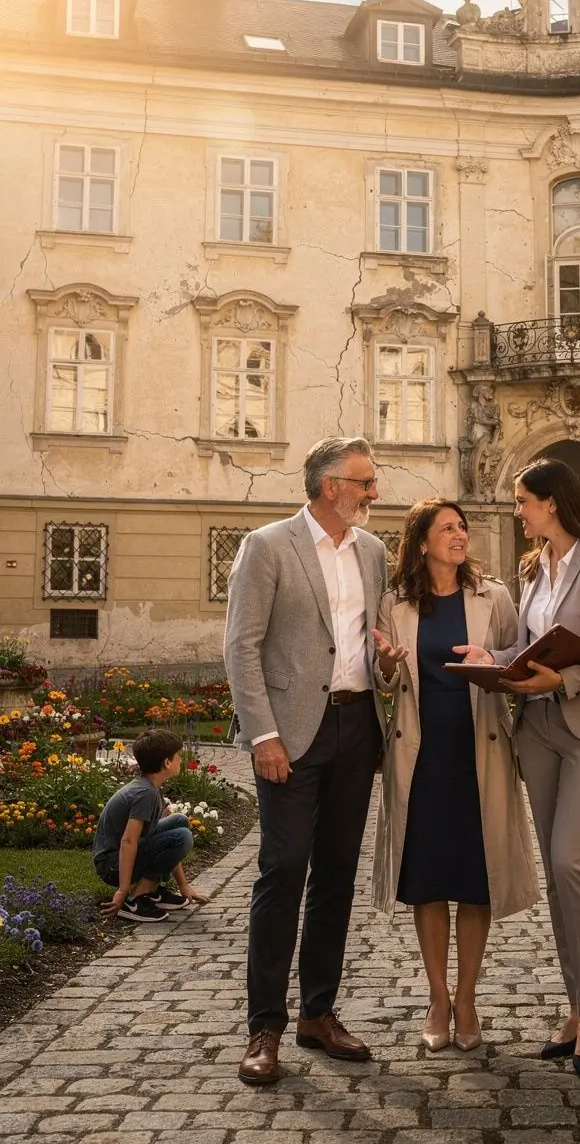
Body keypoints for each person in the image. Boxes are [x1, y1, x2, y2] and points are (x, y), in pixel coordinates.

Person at [456, 458, 580, 1074]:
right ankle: (576, 1004)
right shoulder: (535, 569)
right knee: (561, 878)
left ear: (552, 504)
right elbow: (530, 647)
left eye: (522, 502)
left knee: (571, 863)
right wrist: (496, 657)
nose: (517, 511)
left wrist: (564, 680)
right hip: (536, 732)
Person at [224, 436, 389, 1086]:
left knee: (337, 874)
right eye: (365, 482)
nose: (375, 493)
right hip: (289, 734)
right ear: (329, 487)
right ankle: (264, 1026)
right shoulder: (268, 546)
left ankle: (318, 1014)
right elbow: (242, 646)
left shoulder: (372, 551)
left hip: (356, 727)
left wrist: (387, 663)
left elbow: (365, 641)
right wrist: (262, 734)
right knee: (284, 866)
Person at [372, 500, 540, 1052]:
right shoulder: (394, 604)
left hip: (480, 756)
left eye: (462, 526)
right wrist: (389, 667)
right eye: (446, 528)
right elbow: (381, 676)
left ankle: (467, 997)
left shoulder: (494, 596)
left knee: (475, 880)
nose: (459, 535)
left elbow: (517, 661)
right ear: (420, 543)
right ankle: (437, 997)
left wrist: (494, 657)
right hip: (421, 759)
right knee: (426, 883)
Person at [93, 730, 210, 922]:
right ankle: (135, 900)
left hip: (120, 858)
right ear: (166, 763)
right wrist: (122, 891)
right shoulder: (144, 793)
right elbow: (128, 841)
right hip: (112, 865)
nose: (181, 759)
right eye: (179, 756)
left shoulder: (150, 787)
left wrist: (184, 885)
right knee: (182, 836)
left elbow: (166, 839)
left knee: (179, 822)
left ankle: (153, 892)